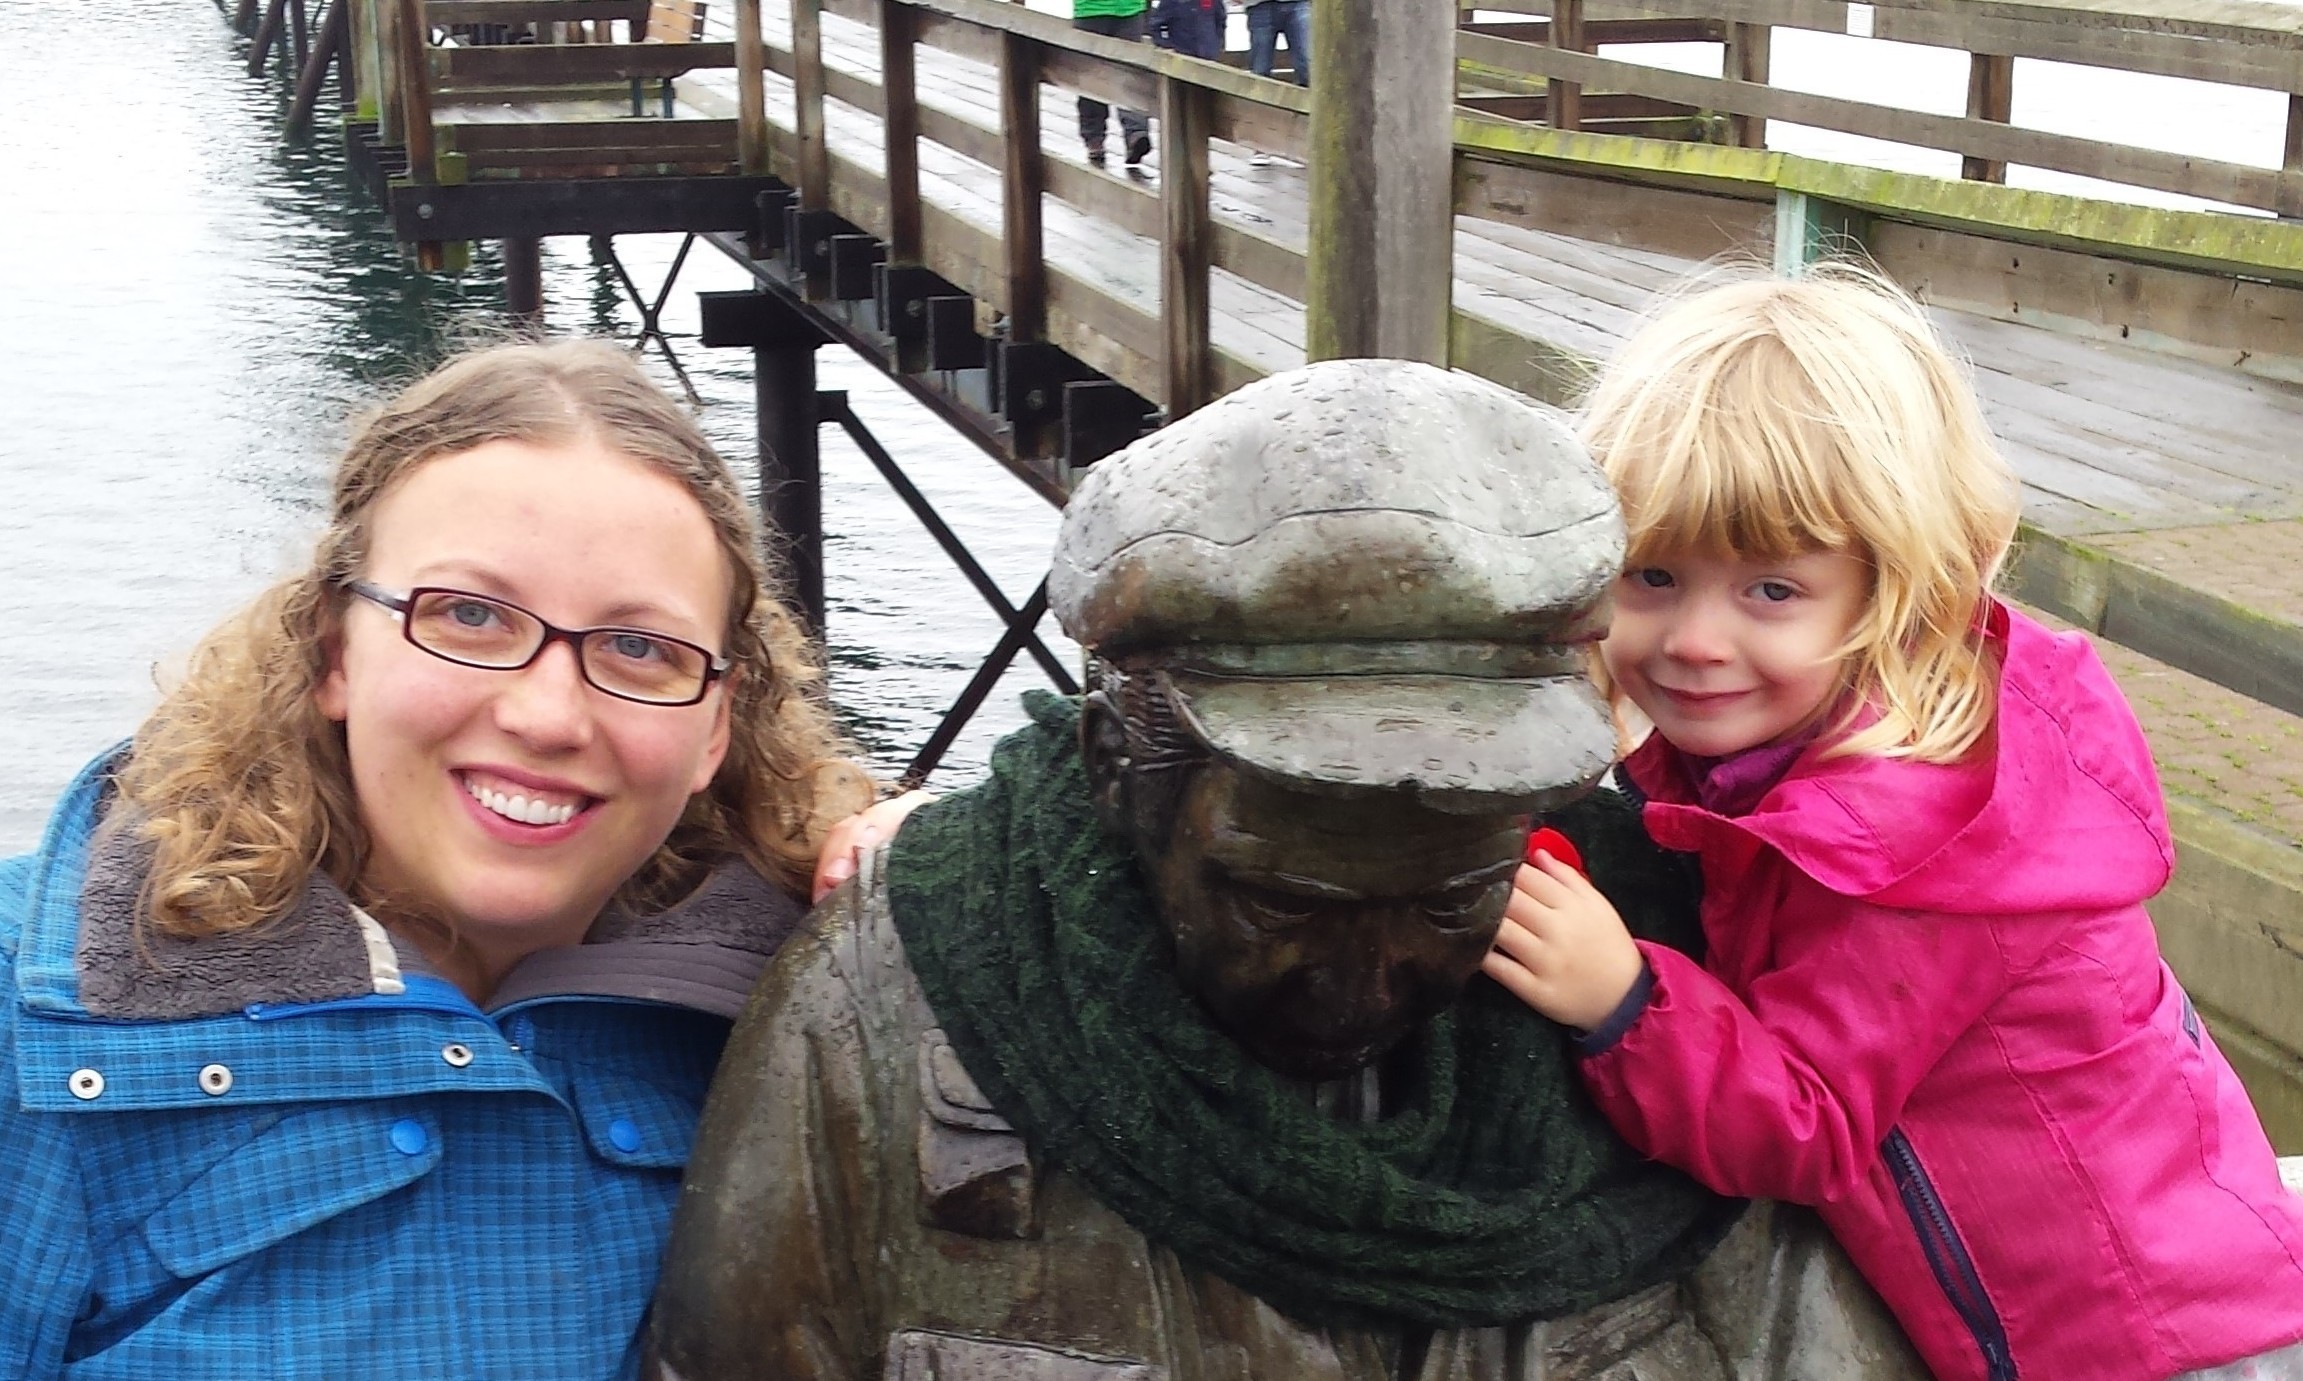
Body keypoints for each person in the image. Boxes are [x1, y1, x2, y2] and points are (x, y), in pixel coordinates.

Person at [650, 359, 1936, 1381]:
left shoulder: (1696, 991)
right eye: (1277, 900)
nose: (1357, 988)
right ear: (1115, 768)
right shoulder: (874, 1015)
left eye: (1447, 902)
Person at [1480, 270, 2303, 1381]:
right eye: (1652, 575)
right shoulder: (1807, 739)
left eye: (1769, 590)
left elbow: (1805, 1126)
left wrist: (1622, 997)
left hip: (2133, 1341)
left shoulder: (1909, 839)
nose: (1692, 640)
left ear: (1894, 592)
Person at [0, 339, 874, 1378]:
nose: (549, 714)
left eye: (640, 648)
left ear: (717, 729)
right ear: (332, 651)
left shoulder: (812, 1003)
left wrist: (942, 877)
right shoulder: (39, 1023)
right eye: (467, 616)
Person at [1074, 0, 1153, 168]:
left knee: (1096, 76)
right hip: (1106, 10)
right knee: (1123, 75)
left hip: (1109, 10)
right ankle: (1131, 132)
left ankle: (1103, 138)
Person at [1242, 0, 1307, 166]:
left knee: (1308, 68)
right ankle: (1260, 145)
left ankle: (1305, 144)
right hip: (1258, 4)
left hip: (1299, 3)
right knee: (1260, 73)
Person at [1151, 0, 1225, 61]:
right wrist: (1165, 45)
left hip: (1209, 57)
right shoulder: (1171, 2)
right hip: (1182, 57)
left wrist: (1217, 44)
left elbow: (1220, 21)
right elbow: (1155, 25)